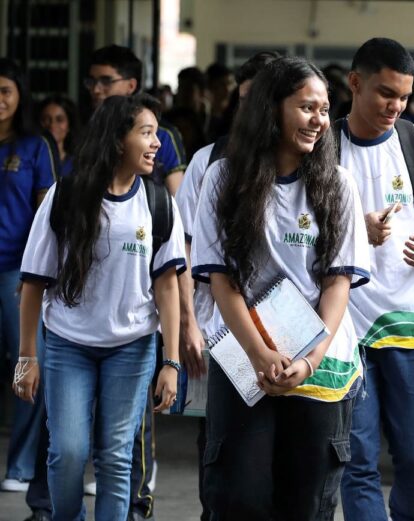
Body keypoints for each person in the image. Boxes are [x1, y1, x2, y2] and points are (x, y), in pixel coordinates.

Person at [191, 56, 370, 520]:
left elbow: (337, 283)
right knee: (238, 494)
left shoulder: (338, 184)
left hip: (319, 361)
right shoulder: (223, 179)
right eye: (307, 107)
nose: (319, 120)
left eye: (325, 109)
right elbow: (222, 280)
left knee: (306, 501)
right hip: (244, 357)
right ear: (272, 108)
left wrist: (309, 358)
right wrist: (258, 354)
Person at [13, 93, 186, 521]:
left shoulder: (158, 202)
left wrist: (172, 361)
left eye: (156, 134)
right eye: (145, 133)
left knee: (115, 456)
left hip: (132, 348)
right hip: (68, 344)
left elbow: (167, 288)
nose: (156, 145)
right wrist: (27, 356)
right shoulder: (67, 196)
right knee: (68, 451)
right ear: (116, 139)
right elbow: (34, 282)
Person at [338, 37, 414, 521]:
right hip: (343, 327)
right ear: (355, 83)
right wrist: (354, 230)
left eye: (405, 97)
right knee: (356, 458)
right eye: (386, 93)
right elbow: (298, 233)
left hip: (409, 323)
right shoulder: (324, 146)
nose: (396, 106)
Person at [175, 49, 280, 521]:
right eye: (243, 101)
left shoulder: (313, 161)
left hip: (290, 328)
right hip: (218, 325)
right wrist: (189, 322)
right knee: (218, 442)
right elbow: (186, 246)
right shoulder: (210, 161)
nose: (249, 112)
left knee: (279, 441)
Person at [0, 58, 57, 494]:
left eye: (5, 90)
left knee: (26, 366)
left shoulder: (35, 146)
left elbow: (45, 214)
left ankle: (19, 467)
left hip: (16, 272)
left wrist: (36, 273)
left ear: (19, 97)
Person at [85, 44, 186, 194]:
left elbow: (177, 196)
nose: (96, 89)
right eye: (91, 81)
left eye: (106, 81)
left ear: (131, 85)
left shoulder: (163, 135)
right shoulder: (86, 128)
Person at [37, 94, 80, 176]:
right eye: (46, 119)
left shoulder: (78, 164)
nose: (52, 125)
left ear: (69, 125)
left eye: (59, 120)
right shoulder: (31, 161)